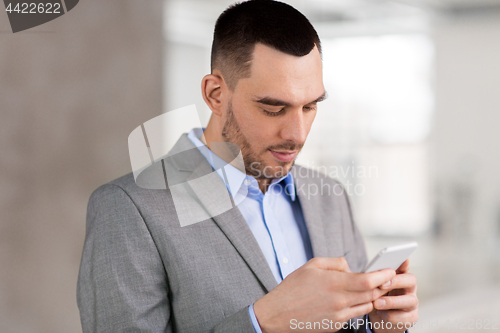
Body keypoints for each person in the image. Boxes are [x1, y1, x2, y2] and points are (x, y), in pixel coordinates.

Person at [77, 0, 418, 332]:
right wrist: (263, 322)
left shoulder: (330, 197)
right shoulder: (128, 210)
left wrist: (376, 328)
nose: (296, 135)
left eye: (310, 106)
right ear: (215, 94)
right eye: (273, 108)